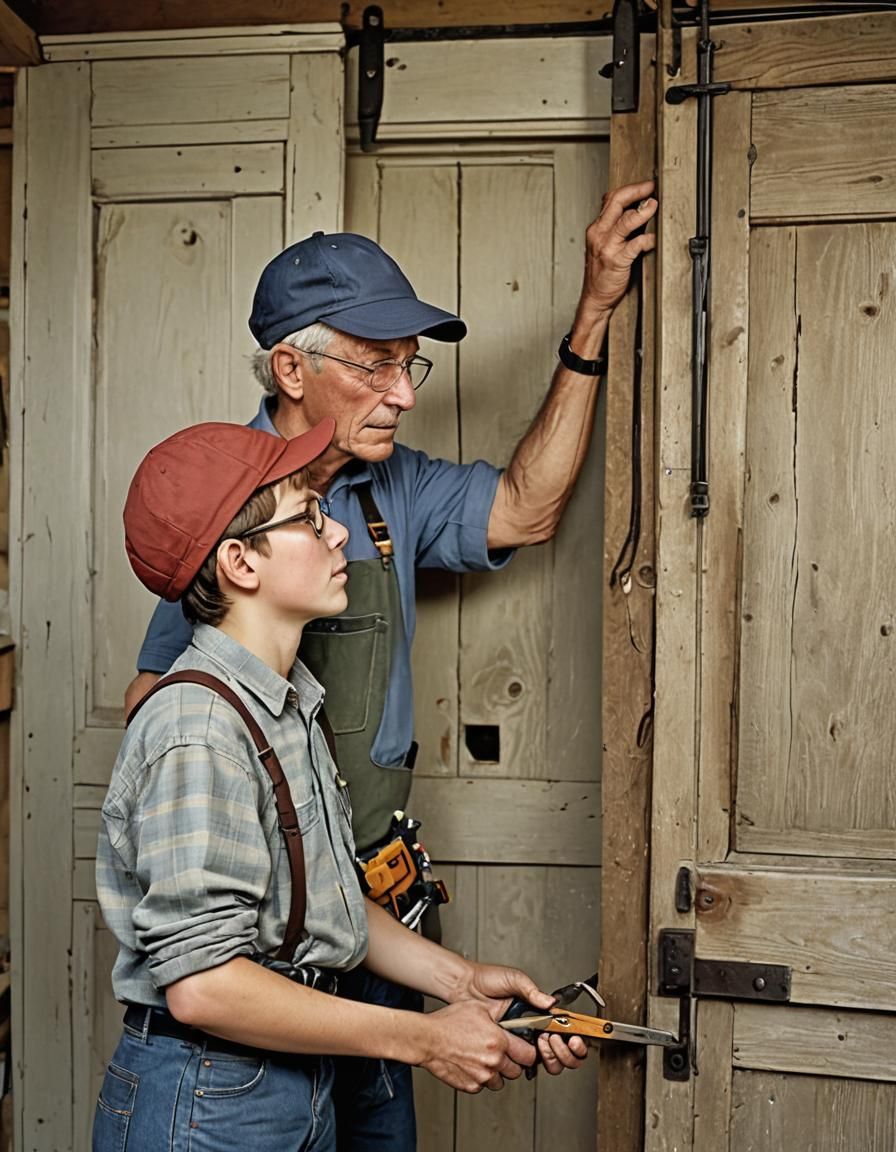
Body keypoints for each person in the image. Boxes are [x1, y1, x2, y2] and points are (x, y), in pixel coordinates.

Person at [124, 180, 658, 1150]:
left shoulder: (302, 671)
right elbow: (203, 964)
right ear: (291, 366)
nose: (405, 393)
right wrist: (418, 1030)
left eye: (410, 366)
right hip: (238, 1029)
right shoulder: (217, 527)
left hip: (362, 928)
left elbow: (523, 509)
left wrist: (451, 989)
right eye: (376, 365)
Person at [94, 419, 586, 1152]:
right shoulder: (198, 727)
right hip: (207, 1101)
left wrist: (461, 983)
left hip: (290, 1084)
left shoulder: (290, 702)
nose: (339, 537)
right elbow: (207, 985)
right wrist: (423, 1039)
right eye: (310, 517)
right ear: (240, 563)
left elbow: (326, 902)